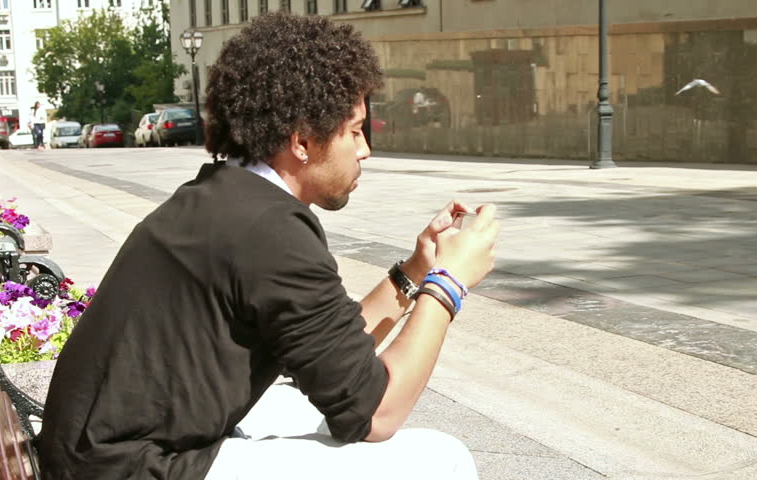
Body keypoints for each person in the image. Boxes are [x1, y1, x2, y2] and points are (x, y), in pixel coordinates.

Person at [37, 12, 499, 480]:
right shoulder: (268, 230)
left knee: (303, 410)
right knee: (442, 459)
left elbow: (333, 356)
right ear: (302, 140)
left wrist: (415, 272)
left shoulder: (227, 197)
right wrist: (447, 285)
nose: (365, 151)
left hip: (98, 457)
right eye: (355, 131)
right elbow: (376, 413)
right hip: (130, 469)